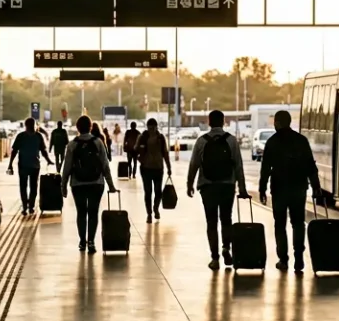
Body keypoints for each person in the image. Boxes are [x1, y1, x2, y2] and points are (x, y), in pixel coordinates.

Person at [258, 110, 322, 272]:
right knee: (298, 224)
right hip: (299, 188)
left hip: (279, 189)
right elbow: (310, 166)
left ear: (278, 123)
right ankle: (299, 258)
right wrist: (316, 187)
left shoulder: (272, 142)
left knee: (280, 225)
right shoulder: (301, 140)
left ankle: (283, 260)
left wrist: (262, 189)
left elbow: (265, 168)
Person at [187, 110, 250, 270]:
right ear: (223, 122)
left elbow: (194, 164)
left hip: (207, 186)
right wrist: (242, 188)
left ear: (209, 122)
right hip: (227, 185)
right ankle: (226, 248)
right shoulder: (232, 141)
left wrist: (189, 184)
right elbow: (238, 166)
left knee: (211, 222)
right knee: (226, 219)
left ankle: (214, 258)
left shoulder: (201, 141)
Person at [61, 115, 117, 254]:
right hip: (96, 183)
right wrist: (110, 185)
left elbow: (67, 167)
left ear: (77, 128)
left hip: (78, 184)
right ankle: (91, 241)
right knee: (93, 212)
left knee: (81, 212)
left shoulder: (72, 144)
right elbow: (105, 165)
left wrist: (63, 186)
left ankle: (82, 241)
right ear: (90, 127)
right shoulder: (98, 142)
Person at [8, 117, 53, 215]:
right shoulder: (33, 136)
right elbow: (14, 151)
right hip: (29, 165)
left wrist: (49, 160)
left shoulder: (30, 136)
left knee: (28, 186)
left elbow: (43, 150)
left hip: (30, 165)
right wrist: (10, 164)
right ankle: (27, 206)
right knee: (30, 187)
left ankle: (28, 206)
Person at [135, 118, 173, 223]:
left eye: (153, 127)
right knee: (148, 192)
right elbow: (136, 149)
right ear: (147, 127)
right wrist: (139, 155)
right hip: (146, 168)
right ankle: (149, 213)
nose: (152, 129)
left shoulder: (160, 138)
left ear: (156, 127)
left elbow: (165, 153)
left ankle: (155, 207)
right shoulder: (142, 137)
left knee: (158, 191)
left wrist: (169, 167)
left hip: (158, 168)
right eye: (150, 127)